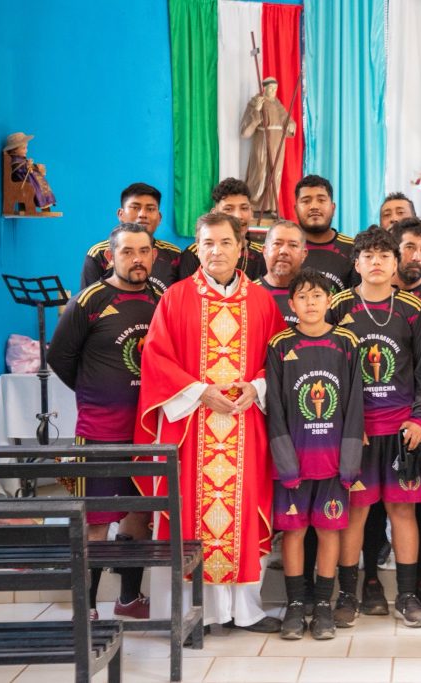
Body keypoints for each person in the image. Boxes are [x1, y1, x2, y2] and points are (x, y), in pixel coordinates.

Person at [135, 212, 285, 633]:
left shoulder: (261, 301)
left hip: (245, 425)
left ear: (241, 248)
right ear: (197, 249)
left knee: (245, 510)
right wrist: (200, 392)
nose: (216, 251)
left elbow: (278, 360)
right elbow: (156, 359)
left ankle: (246, 611)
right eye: (207, 243)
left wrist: (257, 387)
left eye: (224, 242)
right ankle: (190, 613)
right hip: (191, 427)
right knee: (188, 512)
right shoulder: (176, 297)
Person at [50, 222, 160, 621]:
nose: (136, 259)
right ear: (110, 256)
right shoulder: (90, 300)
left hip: (146, 431)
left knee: (139, 515)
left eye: (143, 251)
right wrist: (94, 392)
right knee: (95, 522)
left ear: (154, 255)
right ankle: (88, 609)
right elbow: (59, 357)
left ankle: (129, 598)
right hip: (99, 433)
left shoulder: (161, 297)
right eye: (127, 252)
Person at [328, 227, 421, 629]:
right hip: (358, 432)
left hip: (401, 430)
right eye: (368, 256)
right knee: (355, 512)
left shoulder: (412, 309)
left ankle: (406, 595)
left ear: (395, 264)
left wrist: (420, 418)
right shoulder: (339, 306)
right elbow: (330, 370)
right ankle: (348, 595)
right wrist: (347, 425)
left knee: (402, 510)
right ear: (356, 263)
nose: (376, 262)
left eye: (384, 256)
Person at [266, 268, 364, 640]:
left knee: (329, 529)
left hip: (334, 460)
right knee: (294, 532)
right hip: (293, 459)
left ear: (329, 301)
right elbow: (275, 408)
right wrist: (284, 461)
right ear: (291, 304)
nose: (310, 303)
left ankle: (323, 603)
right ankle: (295, 604)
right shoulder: (280, 345)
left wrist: (349, 462)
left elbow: (355, 404)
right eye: (303, 297)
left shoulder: (346, 342)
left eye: (317, 296)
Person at [81, 183, 181, 292]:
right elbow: (89, 298)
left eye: (150, 209)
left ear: (159, 218)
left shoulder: (174, 254)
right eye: (135, 207)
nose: (142, 214)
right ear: (121, 214)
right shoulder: (99, 254)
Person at [178, 178, 267, 281]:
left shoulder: (262, 256)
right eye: (228, 209)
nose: (238, 216)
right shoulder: (195, 254)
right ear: (214, 214)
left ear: (251, 213)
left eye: (244, 208)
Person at [241, 77, 297, 215]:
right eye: (271, 88)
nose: (273, 91)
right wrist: (256, 110)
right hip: (262, 142)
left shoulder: (277, 104)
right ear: (264, 88)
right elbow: (245, 131)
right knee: (259, 174)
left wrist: (291, 125)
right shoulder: (256, 101)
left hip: (278, 144)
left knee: (275, 175)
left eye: (275, 89)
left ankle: (270, 207)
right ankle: (253, 205)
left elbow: (287, 119)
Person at [295, 175, 355, 293]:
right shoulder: (284, 249)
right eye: (306, 201)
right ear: (296, 209)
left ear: (333, 208)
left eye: (321, 200)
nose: (314, 207)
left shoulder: (353, 249)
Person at [379, 192, 421, 283]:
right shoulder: (371, 261)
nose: (393, 219)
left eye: (400, 212)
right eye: (387, 214)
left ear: (414, 218)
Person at [256, 219, 308, 326]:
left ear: (304, 254)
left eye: (293, 245)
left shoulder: (315, 297)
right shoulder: (248, 294)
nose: (284, 251)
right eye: (277, 244)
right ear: (264, 251)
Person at [4, 131, 56, 210]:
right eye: (24, 148)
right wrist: (28, 166)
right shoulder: (15, 160)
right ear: (15, 150)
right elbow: (18, 168)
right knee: (36, 184)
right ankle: (42, 203)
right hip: (21, 178)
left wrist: (35, 167)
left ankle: (47, 202)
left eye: (26, 148)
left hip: (26, 176)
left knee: (40, 180)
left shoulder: (20, 158)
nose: (26, 150)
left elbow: (25, 166)